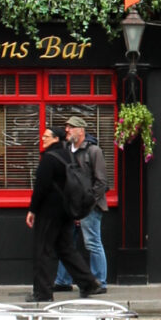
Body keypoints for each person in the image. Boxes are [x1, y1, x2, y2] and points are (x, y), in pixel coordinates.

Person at [26, 126, 101, 301]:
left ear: (56, 139)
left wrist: (32, 210)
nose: (43, 139)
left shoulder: (48, 159)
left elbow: (41, 188)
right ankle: (89, 284)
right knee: (66, 249)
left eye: (46, 137)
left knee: (43, 251)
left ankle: (42, 293)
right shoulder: (69, 156)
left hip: (49, 213)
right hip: (66, 211)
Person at [66, 117, 110, 294]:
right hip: (71, 206)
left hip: (90, 207)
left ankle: (100, 282)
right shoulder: (67, 150)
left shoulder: (93, 151)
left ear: (81, 130)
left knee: (93, 243)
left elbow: (102, 182)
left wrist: (87, 203)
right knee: (66, 243)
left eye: (71, 127)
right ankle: (63, 280)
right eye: (67, 127)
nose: (67, 130)